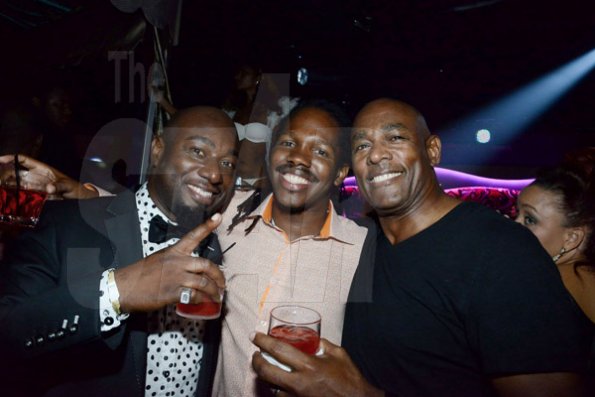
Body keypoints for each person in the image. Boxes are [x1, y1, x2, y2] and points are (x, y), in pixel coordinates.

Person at [250, 98, 594, 397]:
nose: (376, 155)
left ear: (432, 150)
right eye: (361, 145)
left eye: (394, 137)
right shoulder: (364, 244)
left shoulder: (502, 253)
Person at [0, 106, 239, 397]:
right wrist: (117, 292)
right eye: (198, 152)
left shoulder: (223, 244)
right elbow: (8, 334)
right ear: (157, 149)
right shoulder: (67, 223)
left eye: (227, 164)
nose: (215, 173)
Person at [213, 100, 367, 396]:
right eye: (288, 143)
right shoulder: (230, 215)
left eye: (320, 151)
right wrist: (98, 198)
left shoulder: (361, 249)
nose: (299, 157)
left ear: (339, 173)